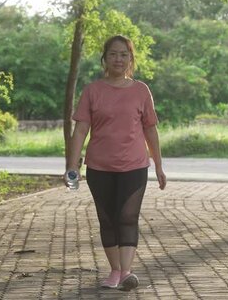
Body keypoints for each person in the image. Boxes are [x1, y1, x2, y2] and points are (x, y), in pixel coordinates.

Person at [65, 34, 166, 292]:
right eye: (113, 54)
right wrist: (72, 166)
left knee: (128, 217)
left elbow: (151, 130)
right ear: (105, 59)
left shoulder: (141, 90)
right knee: (108, 219)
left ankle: (126, 273)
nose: (118, 59)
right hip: (99, 167)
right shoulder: (93, 91)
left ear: (130, 59)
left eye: (124, 54)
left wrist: (159, 165)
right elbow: (80, 131)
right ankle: (116, 271)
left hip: (134, 166)